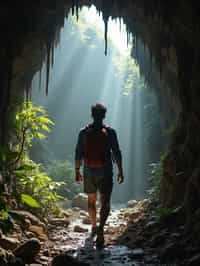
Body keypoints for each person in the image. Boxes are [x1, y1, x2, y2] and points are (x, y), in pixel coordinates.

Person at [75, 103, 124, 247]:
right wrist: (121, 170)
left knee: (91, 201)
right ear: (104, 115)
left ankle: (94, 226)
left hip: (89, 170)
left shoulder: (83, 132)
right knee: (105, 201)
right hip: (106, 171)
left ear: (92, 115)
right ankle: (101, 229)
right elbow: (117, 152)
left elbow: (78, 152)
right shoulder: (111, 132)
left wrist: (77, 171)